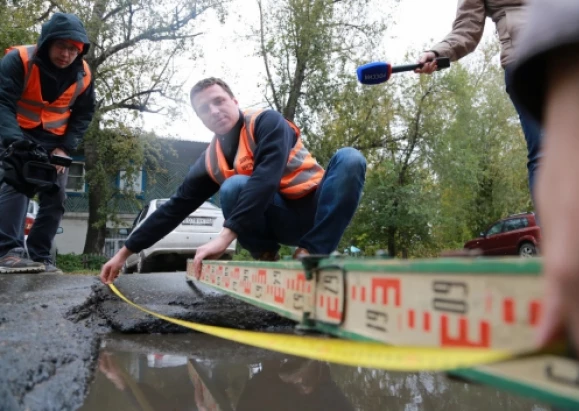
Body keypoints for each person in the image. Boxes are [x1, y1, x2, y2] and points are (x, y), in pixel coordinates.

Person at [100, 77, 366, 284]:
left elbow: (266, 178)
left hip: (318, 212)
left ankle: (312, 252)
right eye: (204, 109)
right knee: (233, 187)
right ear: (200, 119)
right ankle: (265, 256)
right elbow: (175, 207)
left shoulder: (267, 122)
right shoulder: (210, 160)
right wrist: (124, 253)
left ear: (234, 101)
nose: (214, 111)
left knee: (350, 158)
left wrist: (225, 237)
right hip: (276, 221)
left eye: (219, 101)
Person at [508, 1, 579, 409]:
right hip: (535, 59)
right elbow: (466, 28)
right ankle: (560, 241)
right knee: (543, 153)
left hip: (571, 47)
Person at [414, 0, 542, 204]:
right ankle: (560, 233)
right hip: (527, 62)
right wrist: (437, 53)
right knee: (545, 153)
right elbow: (466, 29)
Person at [0, 12, 96, 274]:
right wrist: (15, 142)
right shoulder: (18, 59)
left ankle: (42, 256)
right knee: (17, 182)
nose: (66, 54)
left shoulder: (84, 74)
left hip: (55, 140)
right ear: (47, 43)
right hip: (17, 133)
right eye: (60, 46)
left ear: (80, 51)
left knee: (56, 193)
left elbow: (84, 113)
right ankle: (8, 252)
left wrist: (65, 147)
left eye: (73, 49)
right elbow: (3, 102)